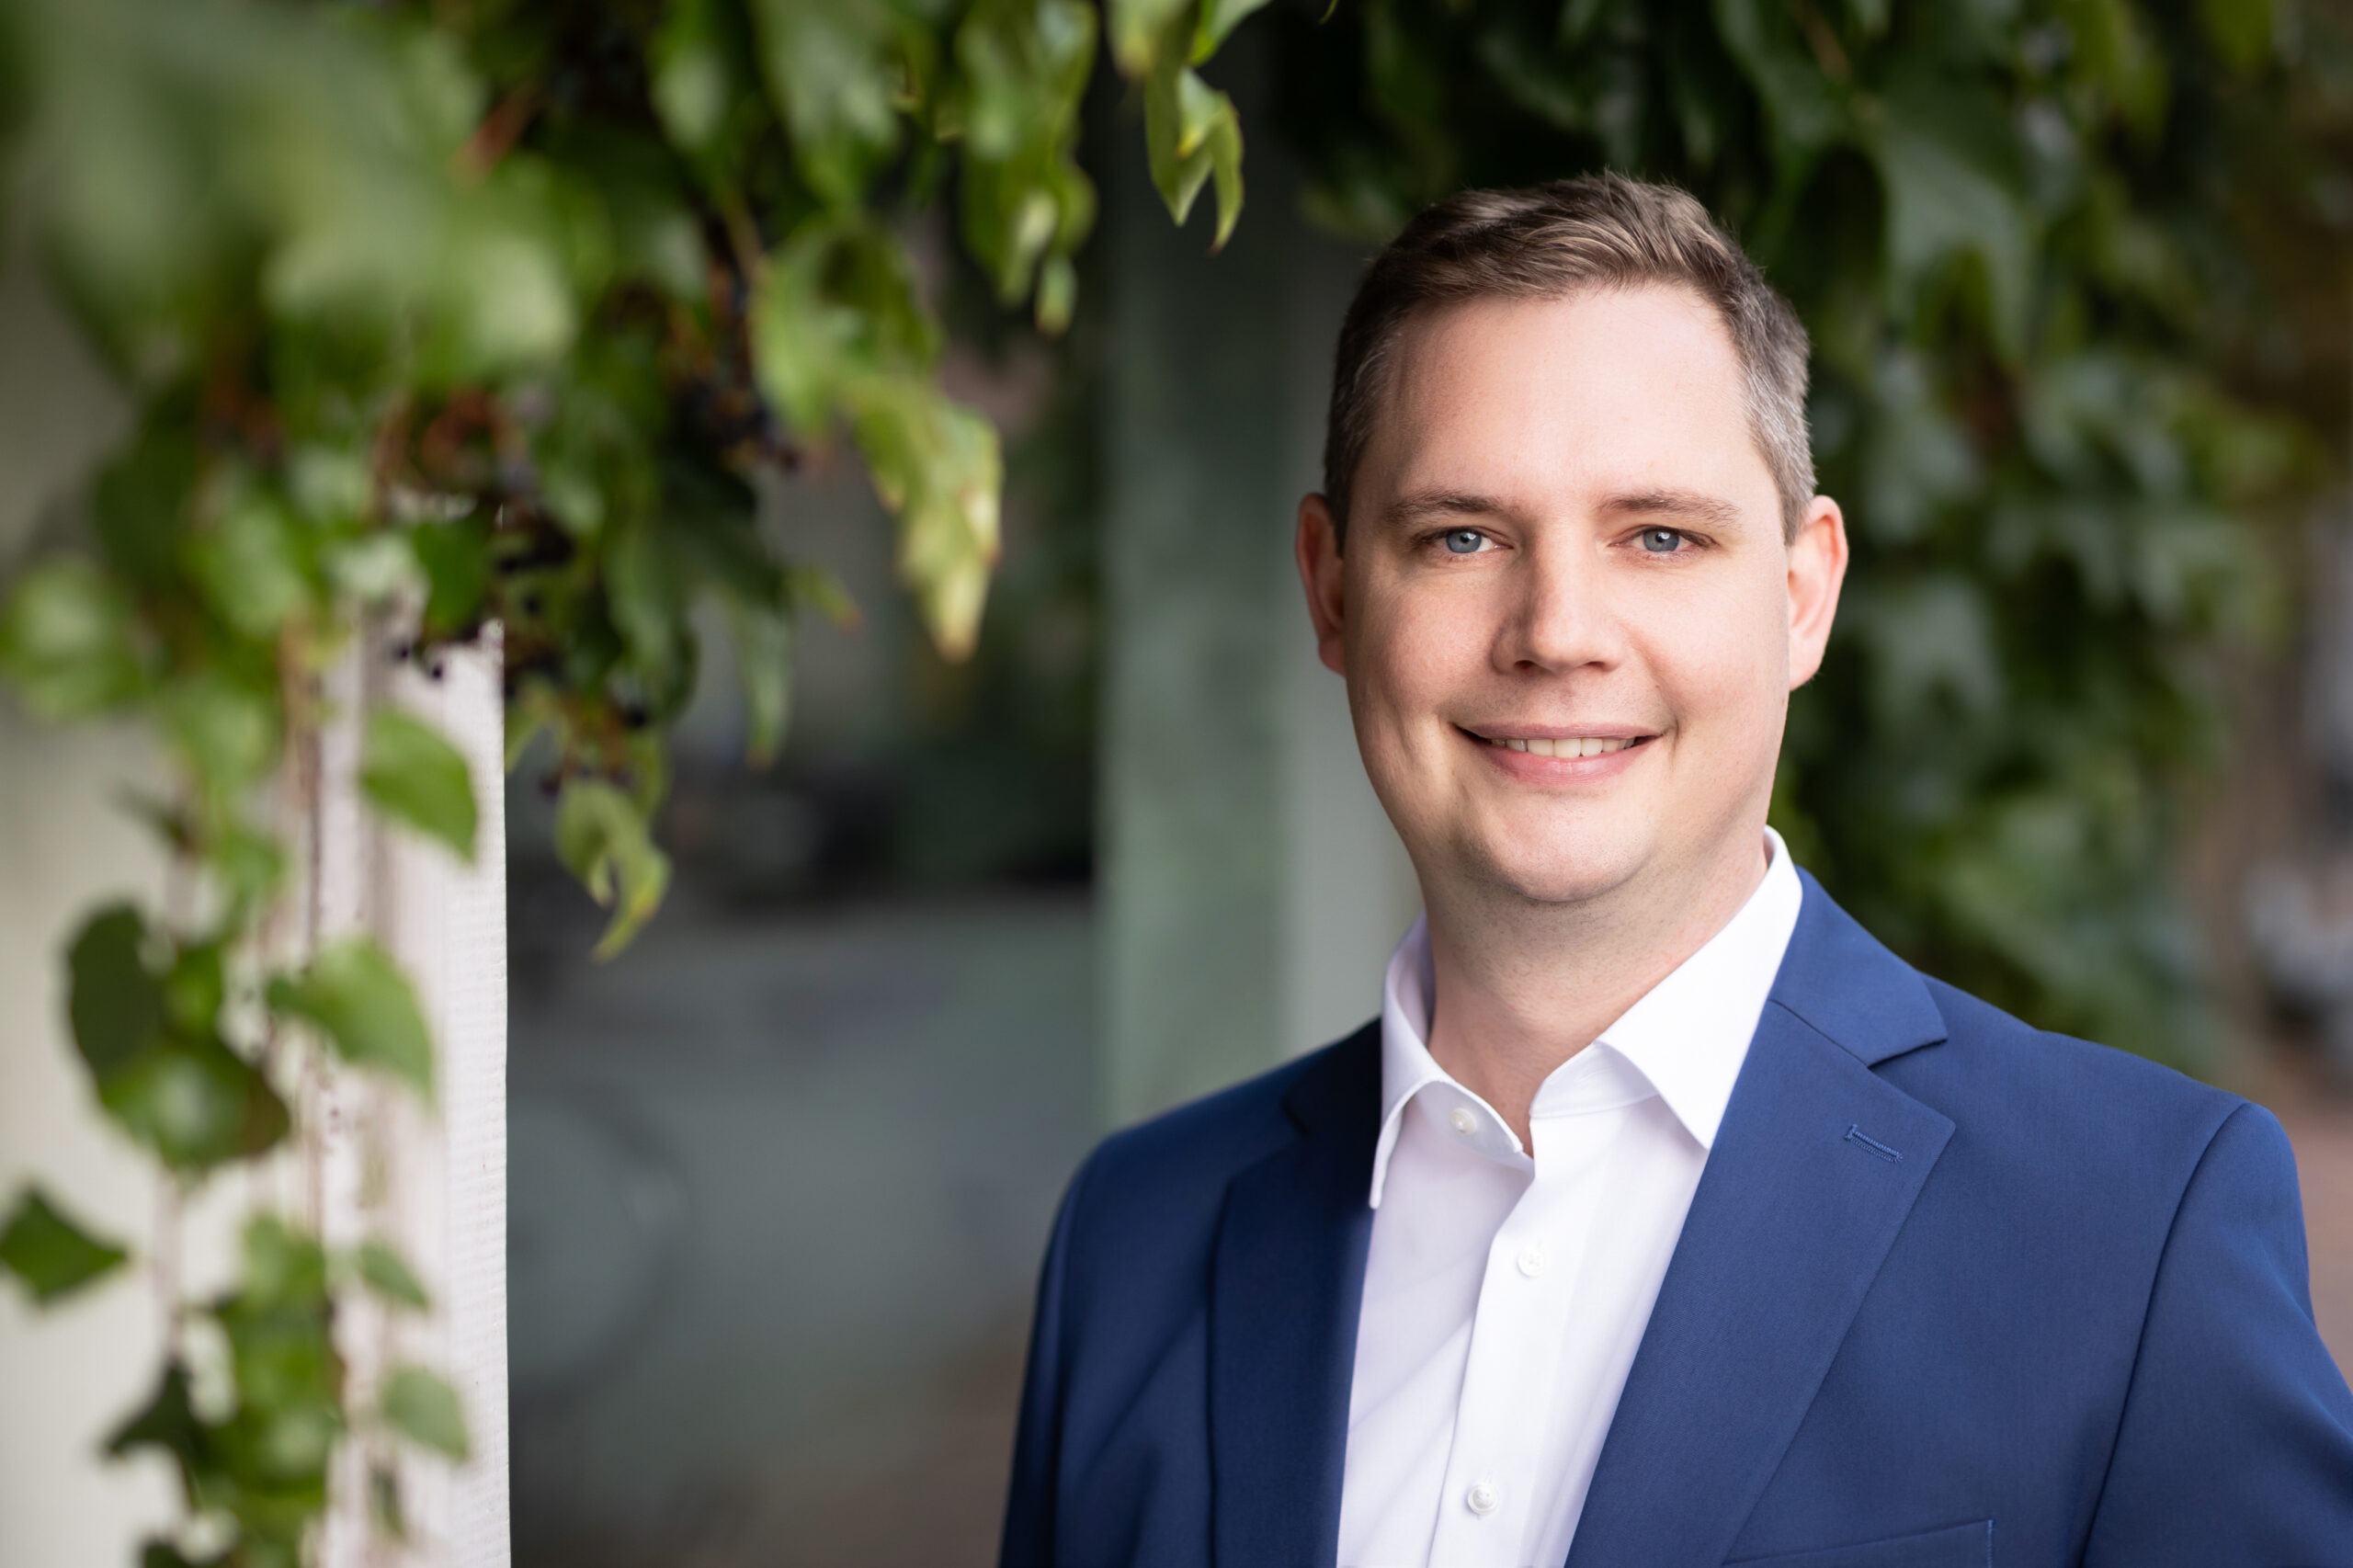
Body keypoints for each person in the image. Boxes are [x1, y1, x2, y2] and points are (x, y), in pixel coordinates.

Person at [996, 175, 2353, 1568]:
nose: (1557, 632)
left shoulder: (2135, 1233)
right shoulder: (1136, 1240)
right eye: (1462, 535)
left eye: (1660, 536)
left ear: (1803, 593)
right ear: (1333, 588)